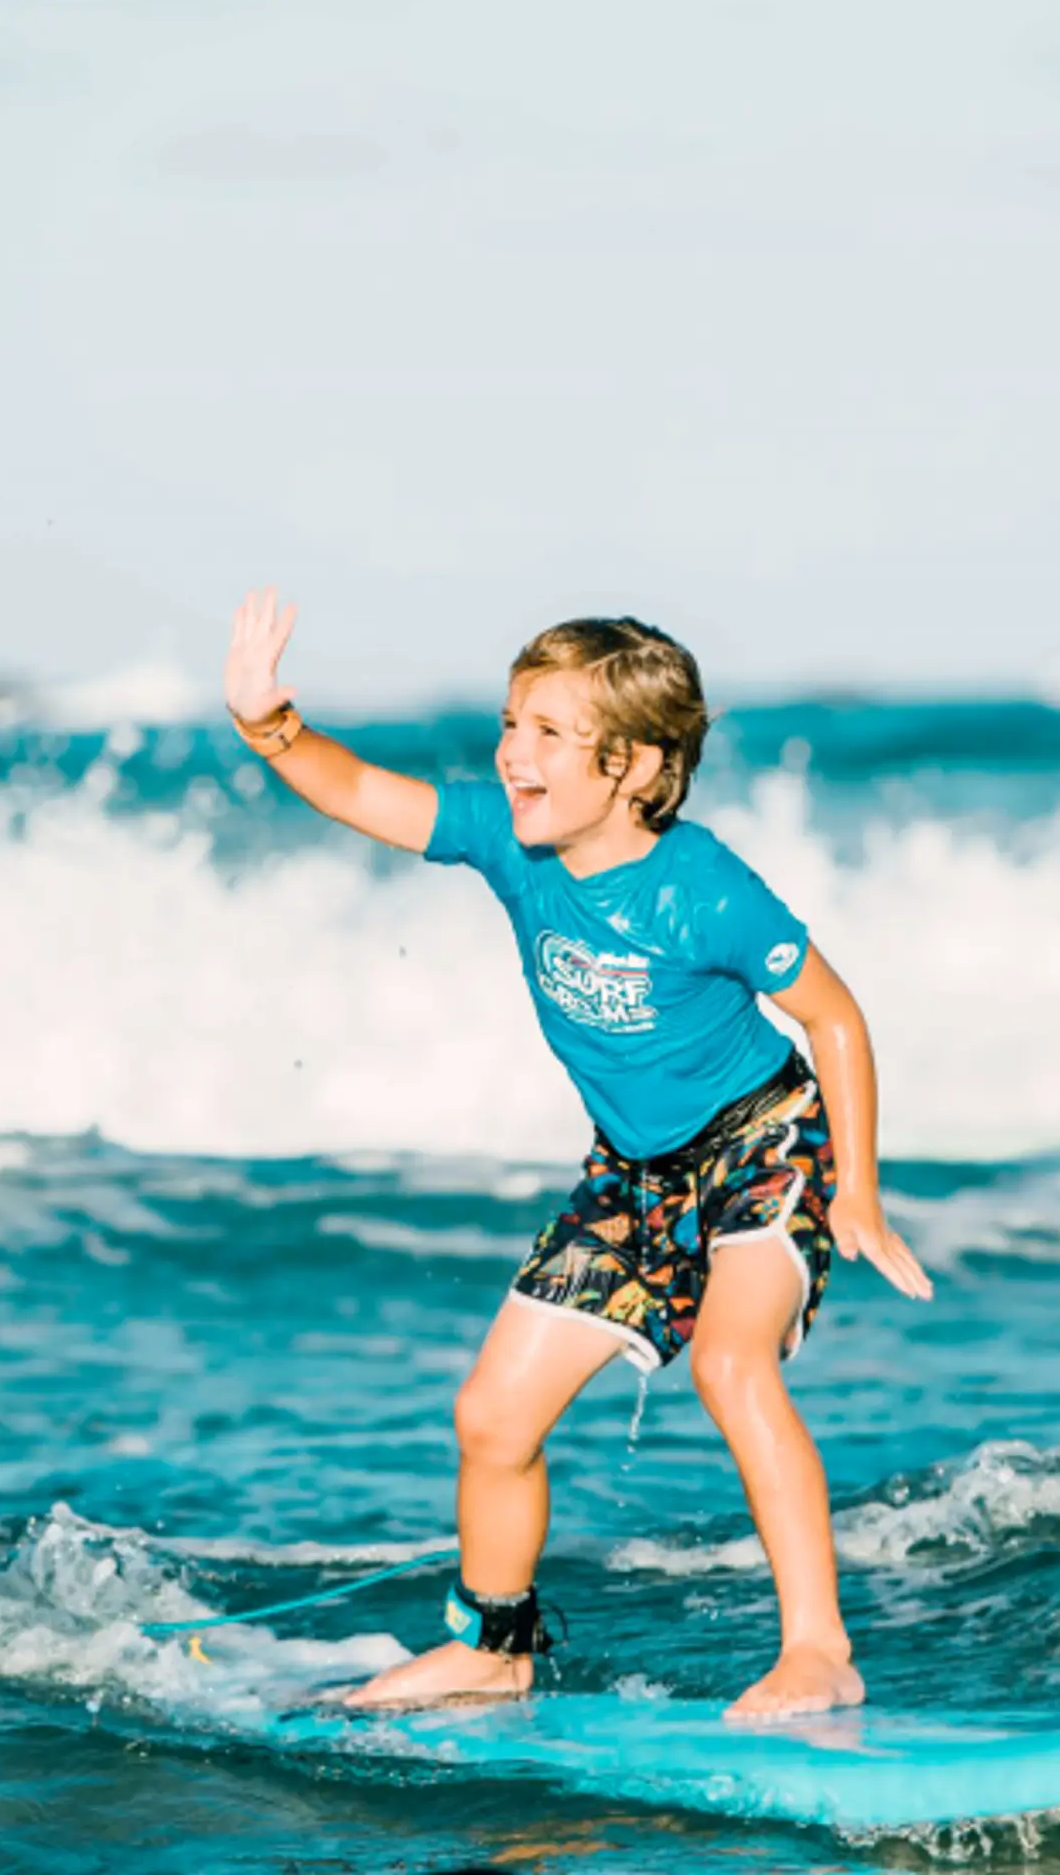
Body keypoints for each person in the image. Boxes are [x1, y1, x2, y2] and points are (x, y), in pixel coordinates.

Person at [222, 589, 932, 1720]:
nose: (513, 753)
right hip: (631, 1172)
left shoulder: (702, 888)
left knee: (728, 1364)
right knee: (490, 1418)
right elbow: (357, 790)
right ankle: (494, 1648)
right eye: (511, 723)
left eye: (549, 733)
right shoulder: (510, 842)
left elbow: (833, 1016)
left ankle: (818, 1648)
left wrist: (857, 1192)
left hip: (763, 1146)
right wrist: (269, 725)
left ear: (634, 766)